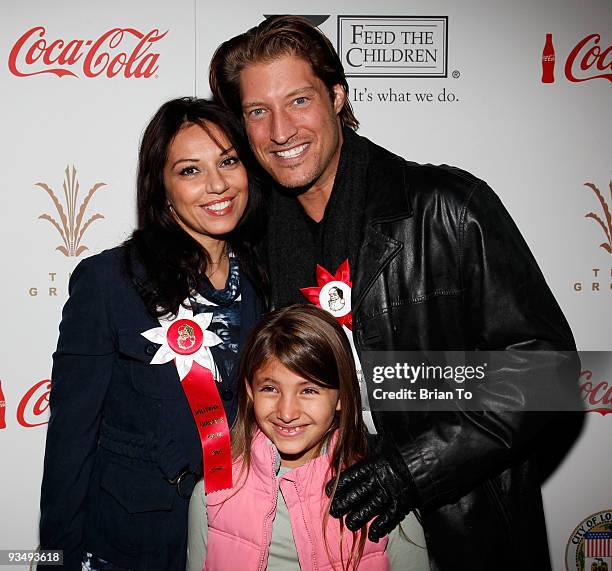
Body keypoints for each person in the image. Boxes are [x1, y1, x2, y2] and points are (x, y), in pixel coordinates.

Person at [208, 16, 580, 570]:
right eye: (258, 111)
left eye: (299, 100)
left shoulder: (446, 207)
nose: (280, 131)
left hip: (457, 523)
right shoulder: (255, 240)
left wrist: (412, 468)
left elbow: (547, 371)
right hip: (324, 526)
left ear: (338, 96)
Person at [39, 97, 266, 570]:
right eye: (189, 170)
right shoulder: (110, 281)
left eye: (228, 161)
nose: (217, 184)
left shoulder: (267, 277)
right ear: (161, 188)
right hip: (134, 542)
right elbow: (70, 440)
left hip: (241, 538)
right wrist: (54, 560)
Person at [187, 304, 429, 571]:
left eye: (309, 390)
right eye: (270, 388)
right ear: (251, 391)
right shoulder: (212, 494)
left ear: (340, 395)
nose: (287, 412)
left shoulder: (383, 493)